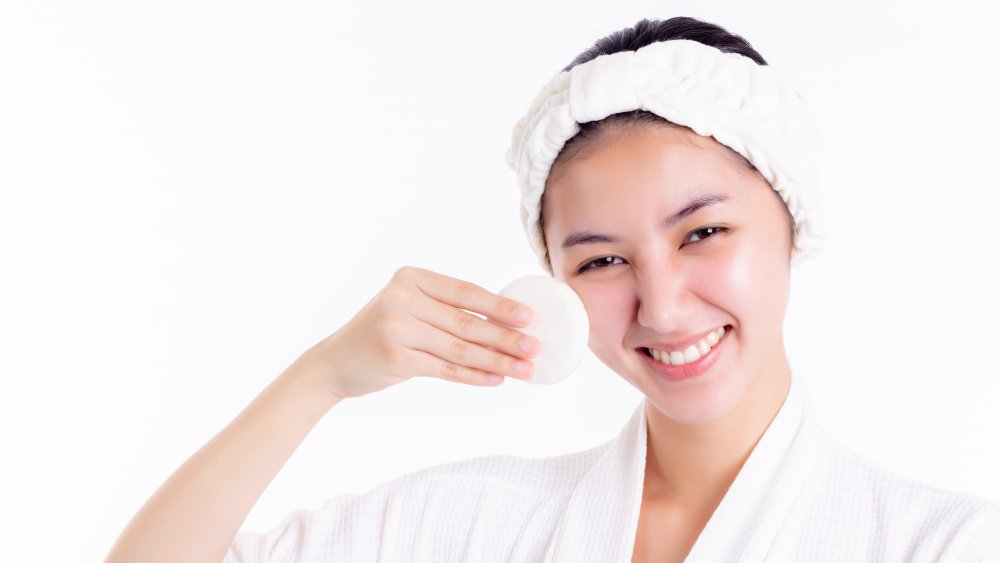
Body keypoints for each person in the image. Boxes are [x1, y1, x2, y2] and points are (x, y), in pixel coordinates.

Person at [104, 17, 1000, 563]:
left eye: (702, 233)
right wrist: (324, 375)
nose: (661, 304)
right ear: (557, 284)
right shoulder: (477, 524)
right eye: (602, 259)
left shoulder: (941, 545)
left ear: (794, 222)